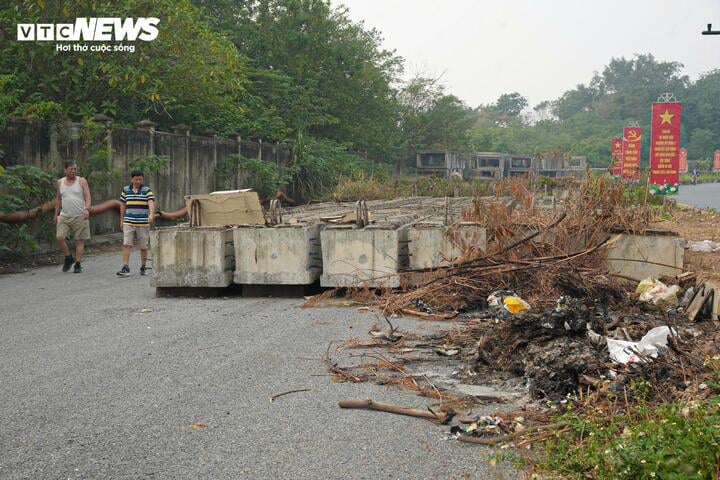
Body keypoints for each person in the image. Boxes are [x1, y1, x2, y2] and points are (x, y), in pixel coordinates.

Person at [54, 159, 92, 273]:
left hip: (80, 215)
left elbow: (88, 196)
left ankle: (78, 264)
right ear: (65, 169)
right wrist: (56, 214)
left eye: (75, 169)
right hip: (64, 216)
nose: (73, 171)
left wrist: (87, 209)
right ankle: (68, 258)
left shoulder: (81, 181)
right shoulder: (60, 182)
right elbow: (58, 199)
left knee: (79, 241)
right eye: (71, 169)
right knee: (60, 238)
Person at [117, 169, 155, 277]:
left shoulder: (147, 190)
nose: (138, 181)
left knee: (143, 246)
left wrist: (151, 214)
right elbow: (122, 205)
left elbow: (151, 202)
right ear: (131, 179)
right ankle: (125, 267)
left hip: (143, 223)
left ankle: (143, 267)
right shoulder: (125, 190)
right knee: (126, 244)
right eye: (136, 179)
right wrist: (121, 219)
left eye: (140, 179)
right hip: (129, 221)